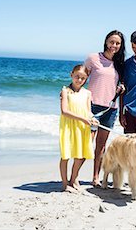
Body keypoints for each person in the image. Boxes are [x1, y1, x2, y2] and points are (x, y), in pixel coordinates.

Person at [85, 30, 126, 188]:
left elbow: (121, 84)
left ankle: (95, 177)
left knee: (101, 146)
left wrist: (122, 87)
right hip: (92, 107)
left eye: (117, 43)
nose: (114, 46)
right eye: (111, 42)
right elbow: (81, 78)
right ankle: (74, 177)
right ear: (106, 41)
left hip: (110, 108)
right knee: (87, 143)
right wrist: (69, 93)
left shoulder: (120, 64)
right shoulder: (93, 58)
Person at [59, 64, 98, 193]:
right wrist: (83, 119)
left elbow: (89, 111)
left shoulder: (87, 93)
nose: (79, 80)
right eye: (77, 77)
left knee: (80, 155)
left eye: (83, 78)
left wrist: (92, 119)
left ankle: (74, 179)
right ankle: (65, 184)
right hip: (69, 127)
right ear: (71, 75)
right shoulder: (65, 91)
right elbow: (64, 111)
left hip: (82, 127)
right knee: (66, 155)